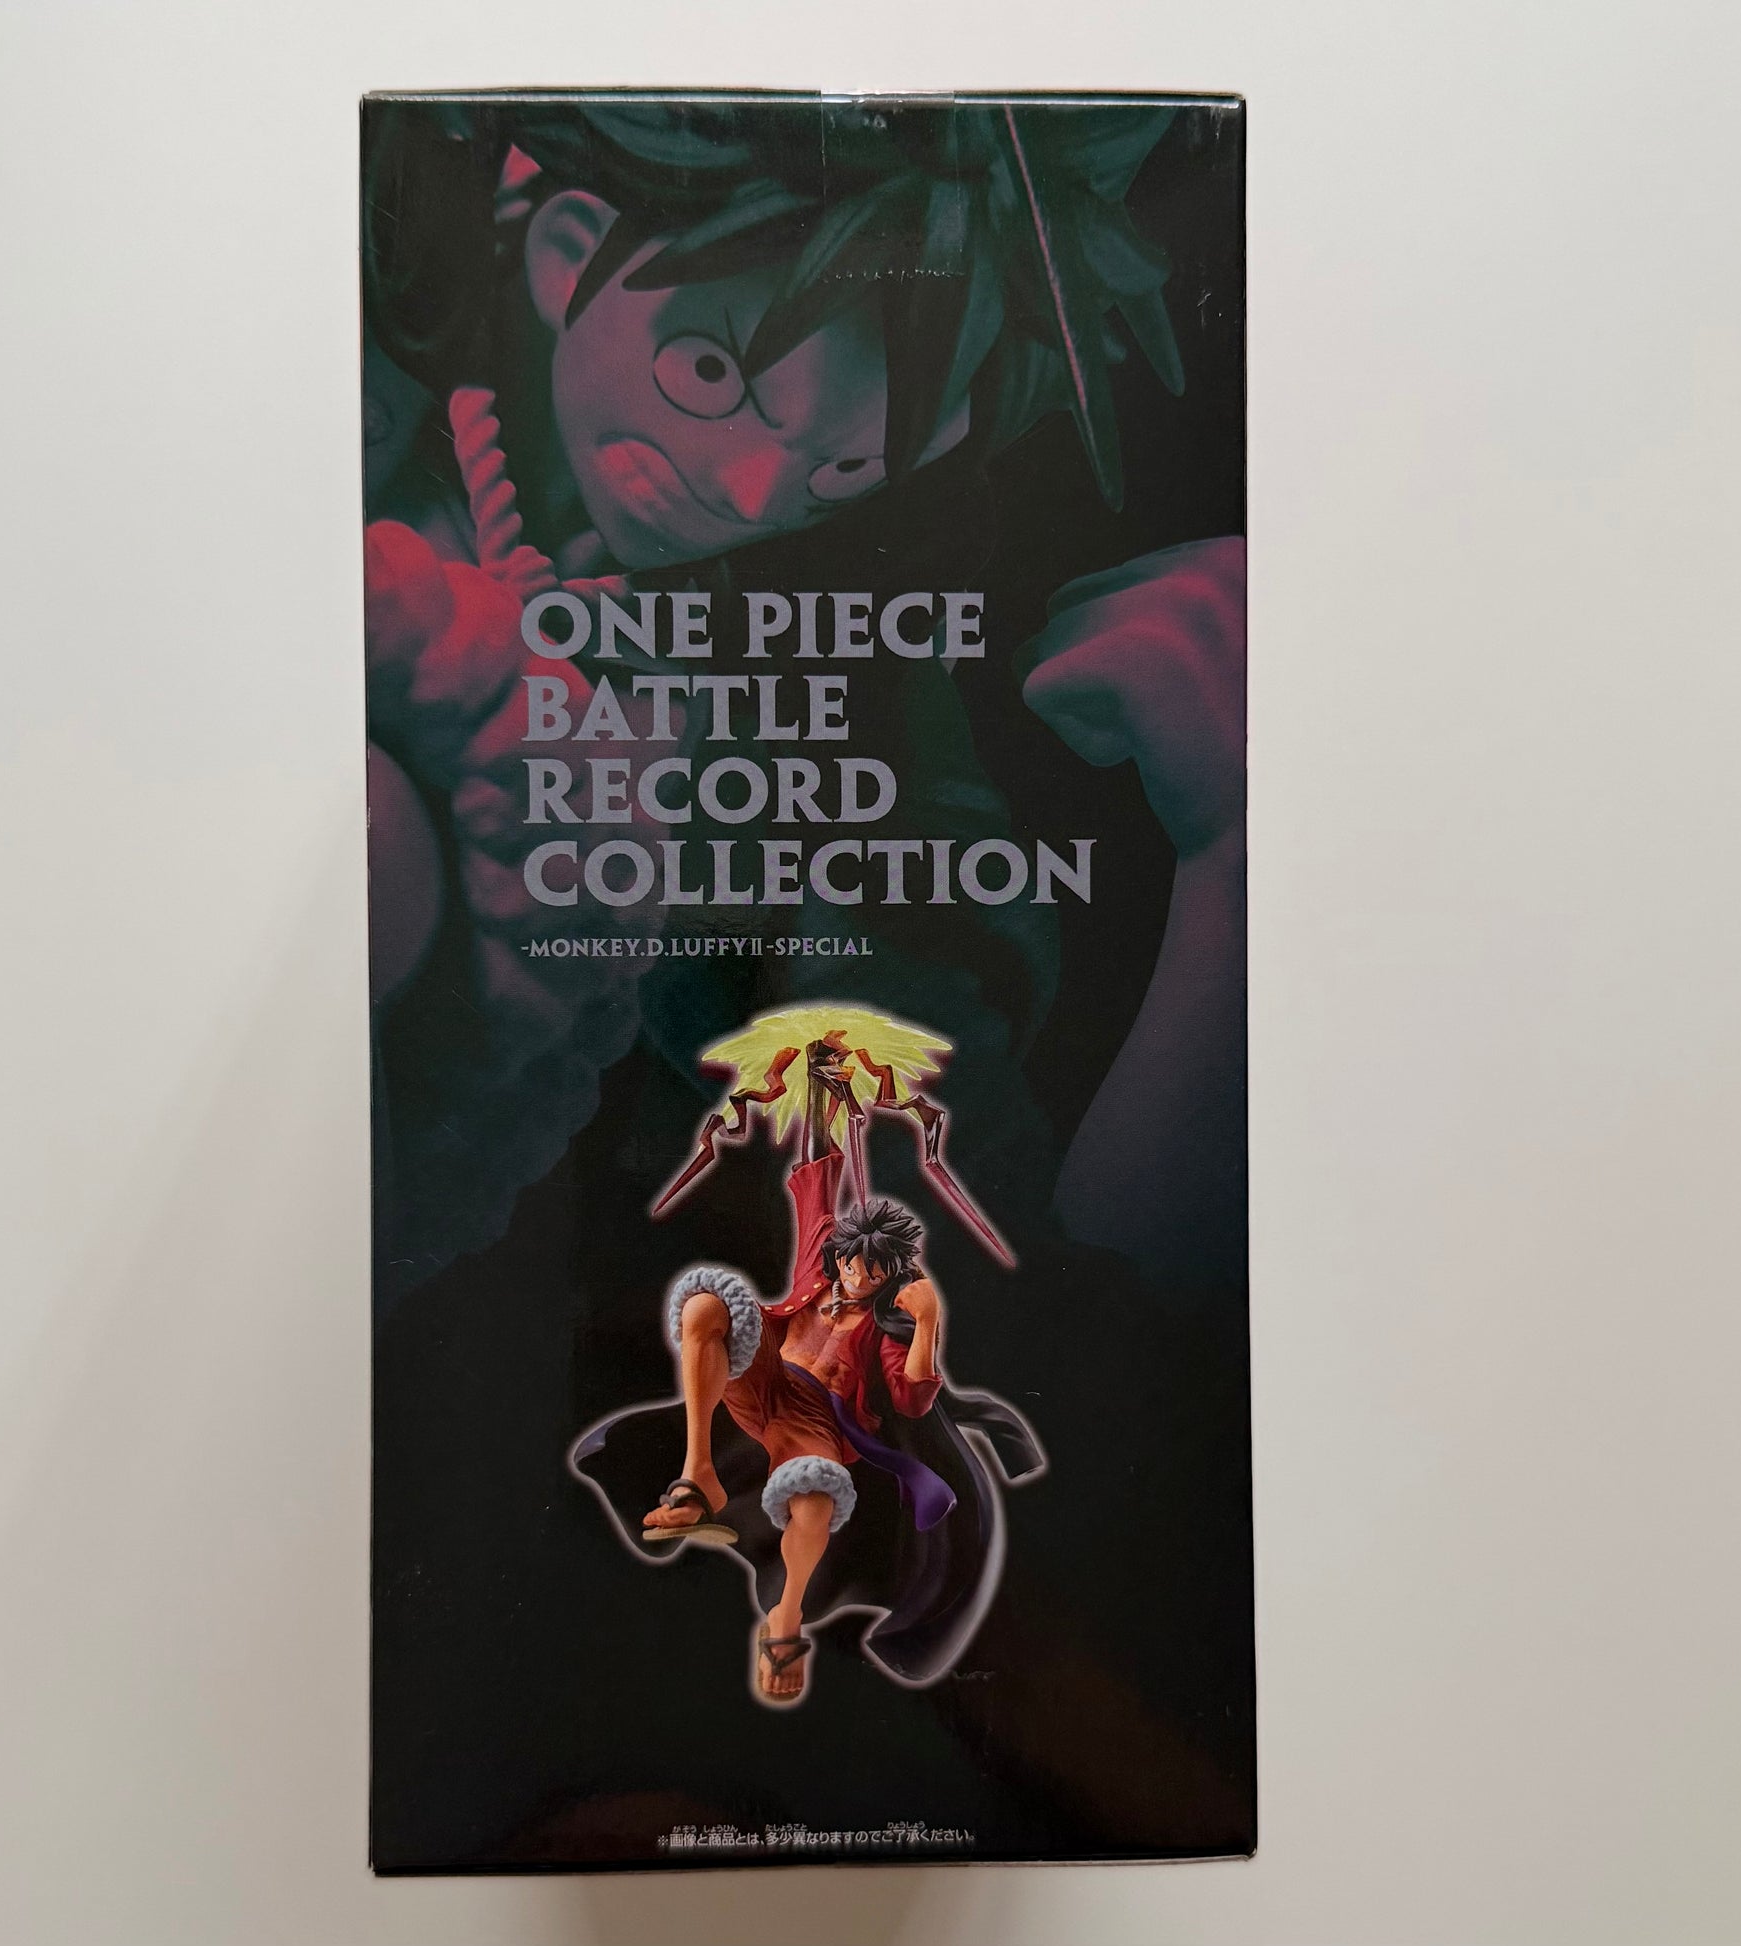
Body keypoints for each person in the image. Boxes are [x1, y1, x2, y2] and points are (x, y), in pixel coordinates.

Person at [361, 94, 1246, 1300]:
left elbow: (1017, 1272)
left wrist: (1229, 863)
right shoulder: (367, 423)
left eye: (844, 467)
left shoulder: (821, 722)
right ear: (567, 253)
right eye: (709, 373)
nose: (750, 490)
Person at [574, 1038, 1045, 1704]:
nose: (854, 1277)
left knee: (815, 1497)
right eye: (849, 1263)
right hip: (763, 1382)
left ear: (889, 1277)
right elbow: (819, 1167)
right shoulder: (821, 1266)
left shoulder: (888, 1327)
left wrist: (928, 1322)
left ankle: (785, 1622)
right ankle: (698, 1474)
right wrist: (823, 1085)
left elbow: (912, 1403)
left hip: (819, 1426)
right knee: (706, 1304)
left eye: (870, 1272)